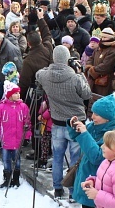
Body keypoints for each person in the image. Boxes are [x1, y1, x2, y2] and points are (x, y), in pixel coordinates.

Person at [36, 45, 92, 198]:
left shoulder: (45, 76)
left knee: (57, 158)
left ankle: (58, 188)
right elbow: (87, 94)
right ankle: (73, 192)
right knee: (75, 160)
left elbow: (38, 74)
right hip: (76, 123)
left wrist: (51, 67)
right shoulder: (74, 77)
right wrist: (80, 73)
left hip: (57, 122)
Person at [0, 81, 31, 188]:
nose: (18, 95)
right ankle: (7, 178)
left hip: (18, 140)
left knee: (17, 161)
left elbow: (27, 123)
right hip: (5, 140)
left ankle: (16, 178)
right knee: (6, 160)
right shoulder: (0, 108)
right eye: (15, 93)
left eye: (19, 93)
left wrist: (27, 136)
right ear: (8, 95)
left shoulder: (23, 107)